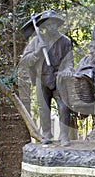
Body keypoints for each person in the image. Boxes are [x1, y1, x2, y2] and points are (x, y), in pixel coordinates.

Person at [20, 10, 74, 146]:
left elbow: (69, 62)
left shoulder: (65, 42)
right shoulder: (37, 41)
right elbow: (25, 60)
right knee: (43, 108)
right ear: (43, 26)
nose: (51, 27)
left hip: (58, 78)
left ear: (57, 25)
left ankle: (63, 136)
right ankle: (46, 134)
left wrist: (68, 70)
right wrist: (38, 52)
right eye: (48, 24)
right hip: (41, 77)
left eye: (54, 24)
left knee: (63, 107)